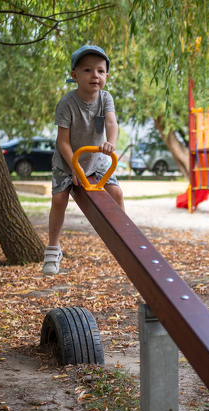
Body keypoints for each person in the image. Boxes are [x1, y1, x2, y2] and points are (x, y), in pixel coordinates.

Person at [43, 45, 125, 276]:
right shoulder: (67, 103)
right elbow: (63, 142)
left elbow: (111, 124)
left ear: (106, 76)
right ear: (74, 76)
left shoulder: (106, 98)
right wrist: (75, 168)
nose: (95, 76)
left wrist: (111, 142)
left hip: (97, 158)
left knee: (117, 193)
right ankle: (53, 247)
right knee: (59, 200)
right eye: (88, 70)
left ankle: (123, 235)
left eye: (100, 71)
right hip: (69, 159)